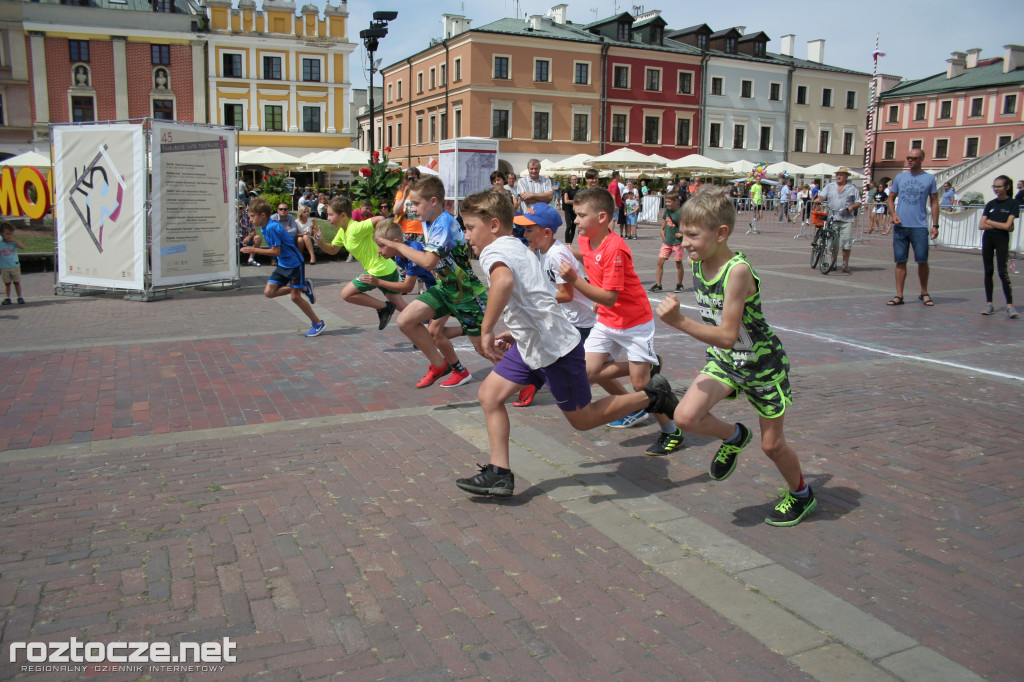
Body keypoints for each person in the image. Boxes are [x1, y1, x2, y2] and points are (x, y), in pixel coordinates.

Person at [454, 190, 679, 497]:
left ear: (494, 225)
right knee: (490, 395)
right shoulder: (519, 247)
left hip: (554, 349)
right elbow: (535, 296)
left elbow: (505, 283)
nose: (466, 235)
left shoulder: (493, 252)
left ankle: (653, 396)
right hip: (532, 344)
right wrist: (515, 330)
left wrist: (487, 327)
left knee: (583, 420)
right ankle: (499, 473)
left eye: (469, 227)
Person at [655, 187, 816, 526]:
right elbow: (725, 344)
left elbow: (728, 336)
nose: (684, 242)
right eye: (682, 234)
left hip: (762, 366)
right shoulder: (699, 264)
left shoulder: (737, 271)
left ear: (721, 233)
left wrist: (679, 322)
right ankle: (733, 436)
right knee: (684, 417)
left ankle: (801, 493)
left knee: (772, 447)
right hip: (727, 362)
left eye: (693, 235)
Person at [559, 188, 684, 457]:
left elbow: (610, 297)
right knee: (587, 372)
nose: (576, 220)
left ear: (602, 217)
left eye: (581, 215)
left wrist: (574, 280)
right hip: (606, 321)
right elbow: (592, 260)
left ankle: (671, 431)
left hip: (634, 322)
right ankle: (647, 367)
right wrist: (573, 256)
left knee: (641, 385)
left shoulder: (616, 248)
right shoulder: (584, 240)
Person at [377, 175, 488, 389]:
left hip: (466, 293)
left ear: (434, 201)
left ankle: (525, 378)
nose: (413, 208)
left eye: (417, 203)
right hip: (445, 289)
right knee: (408, 321)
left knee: (484, 349)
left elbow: (428, 262)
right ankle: (444, 366)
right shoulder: (427, 221)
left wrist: (398, 246)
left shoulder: (444, 223)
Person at [512, 202, 605, 408]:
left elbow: (566, 294)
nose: (523, 233)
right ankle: (532, 384)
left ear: (546, 232)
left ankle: (639, 393)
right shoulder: (540, 250)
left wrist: (533, 299)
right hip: (568, 318)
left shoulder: (556, 255)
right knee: (552, 354)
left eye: (528, 229)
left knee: (590, 371)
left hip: (582, 320)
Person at [315, 197, 406, 330]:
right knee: (402, 306)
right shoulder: (342, 232)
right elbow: (333, 250)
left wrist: (381, 242)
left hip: (379, 270)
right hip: (388, 268)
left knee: (347, 294)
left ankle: (385, 308)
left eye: (331, 214)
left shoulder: (355, 228)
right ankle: (427, 328)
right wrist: (320, 242)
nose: (328, 218)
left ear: (343, 215)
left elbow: (380, 219)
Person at [240, 197, 325, 337]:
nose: (250, 219)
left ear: (262, 215)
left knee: (295, 297)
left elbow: (275, 251)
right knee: (269, 292)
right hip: (283, 264)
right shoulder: (264, 226)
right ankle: (304, 286)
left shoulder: (272, 227)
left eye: (252, 216)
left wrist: (254, 250)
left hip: (294, 264)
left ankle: (317, 323)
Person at [886, 149, 939, 306]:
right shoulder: (900, 177)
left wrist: (935, 225)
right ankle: (899, 295)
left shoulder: (929, 178)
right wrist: (893, 213)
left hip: (919, 226)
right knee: (900, 260)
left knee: (922, 260)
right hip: (901, 225)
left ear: (922, 159)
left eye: (914, 158)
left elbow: (935, 201)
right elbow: (891, 198)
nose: (910, 160)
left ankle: (924, 292)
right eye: (908, 158)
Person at [361, 219, 436, 298]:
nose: (378, 250)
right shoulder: (399, 259)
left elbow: (408, 287)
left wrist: (378, 282)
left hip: (446, 286)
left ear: (395, 242)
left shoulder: (413, 252)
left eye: (382, 245)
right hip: (434, 287)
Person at [979, 175, 1018, 318]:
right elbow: (981, 225)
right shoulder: (990, 204)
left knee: (1003, 272)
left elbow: (1008, 226)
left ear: (1007, 187)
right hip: (988, 239)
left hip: (1002, 239)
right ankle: (989, 303)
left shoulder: (1012, 204)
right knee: (988, 271)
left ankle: (1010, 305)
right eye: (994, 186)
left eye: (999, 186)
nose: (996, 189)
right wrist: (998, 224)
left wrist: (991, 222)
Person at [816, 167, 861, 274]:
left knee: (846, 243)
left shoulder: (852, 188)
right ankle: (833, 263)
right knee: (833, 243)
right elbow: (822, 196)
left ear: (846, 176)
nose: (838, 177)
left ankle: (845, 264)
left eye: (841, 175)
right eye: (837, 175)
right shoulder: (830, 186)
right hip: (833, 218)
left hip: (846, 219)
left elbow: (858, 202)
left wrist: (851, 208)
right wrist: (819, 199)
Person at [649, 191, 685, 293]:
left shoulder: (680, 213)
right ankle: (658, 285)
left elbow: (687, 227)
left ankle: (679, 284)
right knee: (660, 261)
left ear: (676, 201)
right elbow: (663, 226)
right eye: (666, 201)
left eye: (669, 202)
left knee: (678, 263)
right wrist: (661, 231)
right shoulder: (667, 212)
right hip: (667, 242)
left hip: (677, 242)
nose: (667, 204)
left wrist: (682, 233)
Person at [394, 167, 424, 242]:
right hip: (406, 229)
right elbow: (395, 211)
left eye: (414, 178)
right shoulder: (401, 193)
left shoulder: (423, 191)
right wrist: (404, 196)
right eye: (409, 178)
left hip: (421, 230)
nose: (412, 180)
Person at [0, 221, 26, 304]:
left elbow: (22, 247)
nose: (9, 236)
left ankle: (19, 297)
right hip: (4, 267)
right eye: (7, 234)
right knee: (7, 283)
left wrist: (15, 241)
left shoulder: (13, 243)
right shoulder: (0, 243)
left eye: (11, 234)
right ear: (1, 234)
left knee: (16, 282)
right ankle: (7, 298)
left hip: (15, 266)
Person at [562, 174, 580, 244]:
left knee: (573, 227)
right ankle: (567, 242)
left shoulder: (578, 189)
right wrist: (575, 201)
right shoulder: (567, 189)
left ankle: (570, 243)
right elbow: (566, 200)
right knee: (568, 226)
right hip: (568, 210)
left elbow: (580, 199)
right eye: (573, 179)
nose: (575, 180)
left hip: (575, 210)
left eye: (575, 179)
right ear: (570, 180)